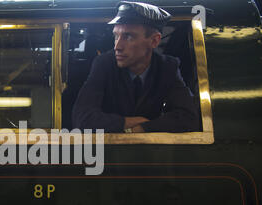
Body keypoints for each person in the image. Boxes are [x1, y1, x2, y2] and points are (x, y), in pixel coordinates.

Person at [71, 1, 200, 133]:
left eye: (128, 36)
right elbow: (82, 119)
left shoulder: (167, 67)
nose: (117, 46)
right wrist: (127, 122)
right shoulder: (104, 64)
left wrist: (144, 128)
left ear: (154, 41)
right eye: (116, 36)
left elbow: (189, 118)